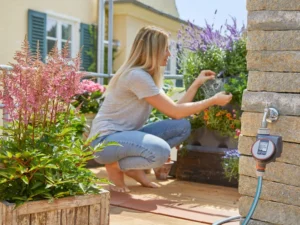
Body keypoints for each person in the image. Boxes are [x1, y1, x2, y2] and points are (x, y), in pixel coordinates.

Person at [89, 26, 232, 193]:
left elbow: (176, 111)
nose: (169, 54)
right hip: (105, 143)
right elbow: (175, 112)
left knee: (182, 127)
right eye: (165, 49)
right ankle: (116, 165)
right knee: (161, 152)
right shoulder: (136, 76)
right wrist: (213, 100)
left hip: (124, 138)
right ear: (153, 50)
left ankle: (131, 167)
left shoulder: (146, 77)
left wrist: (196, 84)